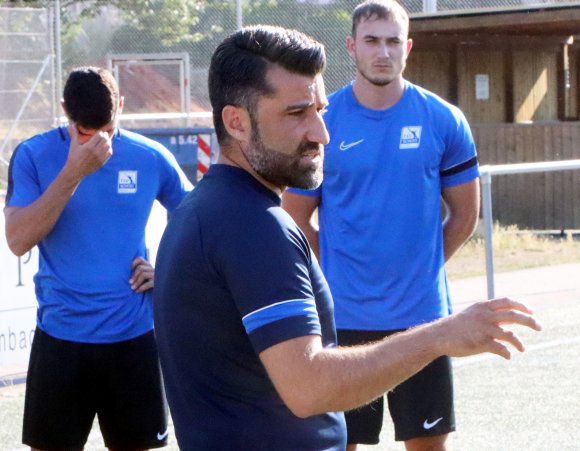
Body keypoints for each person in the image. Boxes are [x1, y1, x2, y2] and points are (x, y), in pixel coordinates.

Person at [153, 25, 540, 451]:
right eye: (297, 113)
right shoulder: (254, 226)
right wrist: (440, 335)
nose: (322, 133)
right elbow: (309, 387)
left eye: (319, 110)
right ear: (236, 122)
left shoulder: (207, 208)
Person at [283, 1, 480, 449]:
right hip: (346, 317)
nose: (383, 52)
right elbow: (295, 216)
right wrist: (338, 264)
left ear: (408, 47)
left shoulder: (443, 119)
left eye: (393, 41)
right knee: (342, 444)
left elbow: (465, 216)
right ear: (351, 46)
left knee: (429, 444)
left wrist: (419, 267)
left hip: (423, 318)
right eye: (372, 40)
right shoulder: (324, 122)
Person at [4, 66, 192, 451]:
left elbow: (198, 221)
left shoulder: (149, 156)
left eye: (106, 131)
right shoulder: (34, 155)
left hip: (133, 340)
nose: (98, 145)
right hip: (61, 339)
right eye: (86, 134)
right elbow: (18, 240)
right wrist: (73, 172)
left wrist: (168, 271)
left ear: (121, 107)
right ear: (65, 112)